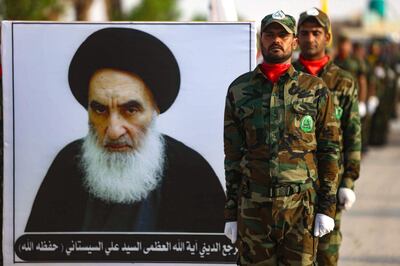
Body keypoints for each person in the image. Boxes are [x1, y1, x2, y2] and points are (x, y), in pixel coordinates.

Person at [25, 27, 225, 232]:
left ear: (154, 109)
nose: (113, 131)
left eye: (130, 110)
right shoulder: (67, 166)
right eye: (99, 109)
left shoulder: (192, 174)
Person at [223, 10, 340, 265]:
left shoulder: (315, 89)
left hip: (301, 208)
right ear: (261, 39)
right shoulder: (240, 90)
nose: (276, 40)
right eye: (270, 34)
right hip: (254, 208)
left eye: (283, 35)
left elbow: (330, 150)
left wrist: (326, 208)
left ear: (294, 42)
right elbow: (232, 157)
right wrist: (231, 213)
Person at [293, 8, 361, 265]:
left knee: (326, 254)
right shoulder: (287, 79)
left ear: (328, 37)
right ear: (297, 38)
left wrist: (349, 181)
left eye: (316, 33)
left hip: (329, 185)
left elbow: (353, 134)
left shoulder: (343, 81)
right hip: (293, 187)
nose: (310, 39)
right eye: (305, 33)